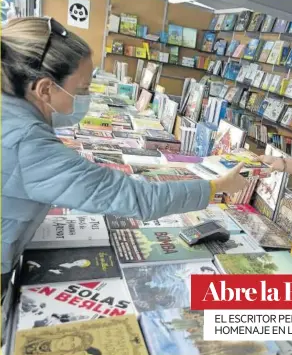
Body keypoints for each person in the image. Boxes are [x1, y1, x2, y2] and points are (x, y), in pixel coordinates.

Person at [1, 17, 248, 297]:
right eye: (81, 90)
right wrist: (218, 186)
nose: (85, 99)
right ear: (44, 89)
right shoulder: (27, 143)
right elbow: (138, 198)